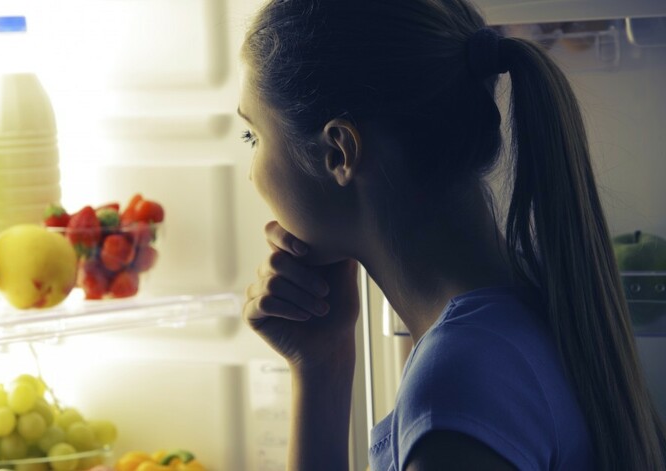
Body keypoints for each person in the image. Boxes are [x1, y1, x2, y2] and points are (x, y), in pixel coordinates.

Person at [237, 0, 666, 470]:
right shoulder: (522, 314)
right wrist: (322, 365)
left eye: (253, 137)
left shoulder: (456, 389)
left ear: (339, 152)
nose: (251, 174)